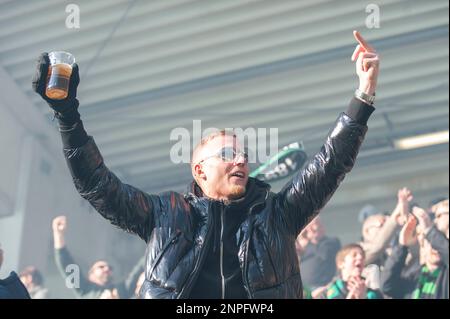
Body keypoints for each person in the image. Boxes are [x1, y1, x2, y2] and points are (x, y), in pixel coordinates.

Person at [32, 31, 380, 299]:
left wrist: (363, 94)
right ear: (199, 171)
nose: (241, 159)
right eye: (227, 155)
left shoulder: (278, 215)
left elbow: (329, 164)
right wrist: (67, 115)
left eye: (243, 154)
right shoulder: (165, 215)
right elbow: (97, 184)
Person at [52, 216, 145, 299]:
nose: (107, 268)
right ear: (91, 274)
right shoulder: (84, 289)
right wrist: (58, 234)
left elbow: (140, 268)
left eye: (109, 267)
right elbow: (67, 264)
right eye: (101, 267)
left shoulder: (122, 289)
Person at [380, 207, 449, 299]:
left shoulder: (446, 275)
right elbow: (387, 286)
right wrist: (402, 246)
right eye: (431, 245)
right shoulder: (412, 274)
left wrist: (429, 231)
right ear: (423, 246)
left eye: (437, 245)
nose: (435, 249)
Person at [319, 243, 383, 299]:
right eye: (354, 255)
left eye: (362, 256)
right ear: (341, 264)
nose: (360, 257)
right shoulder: (328, 294)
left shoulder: (373, 293)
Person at [297, 216, 341, 290]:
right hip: (303, 289)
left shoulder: (331, 242)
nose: (311, 229)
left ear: (322, 227)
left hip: (322, 287)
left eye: (314, 224)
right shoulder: (305, 246)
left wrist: (309, 243)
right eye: (308, 226)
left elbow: (324, 255)